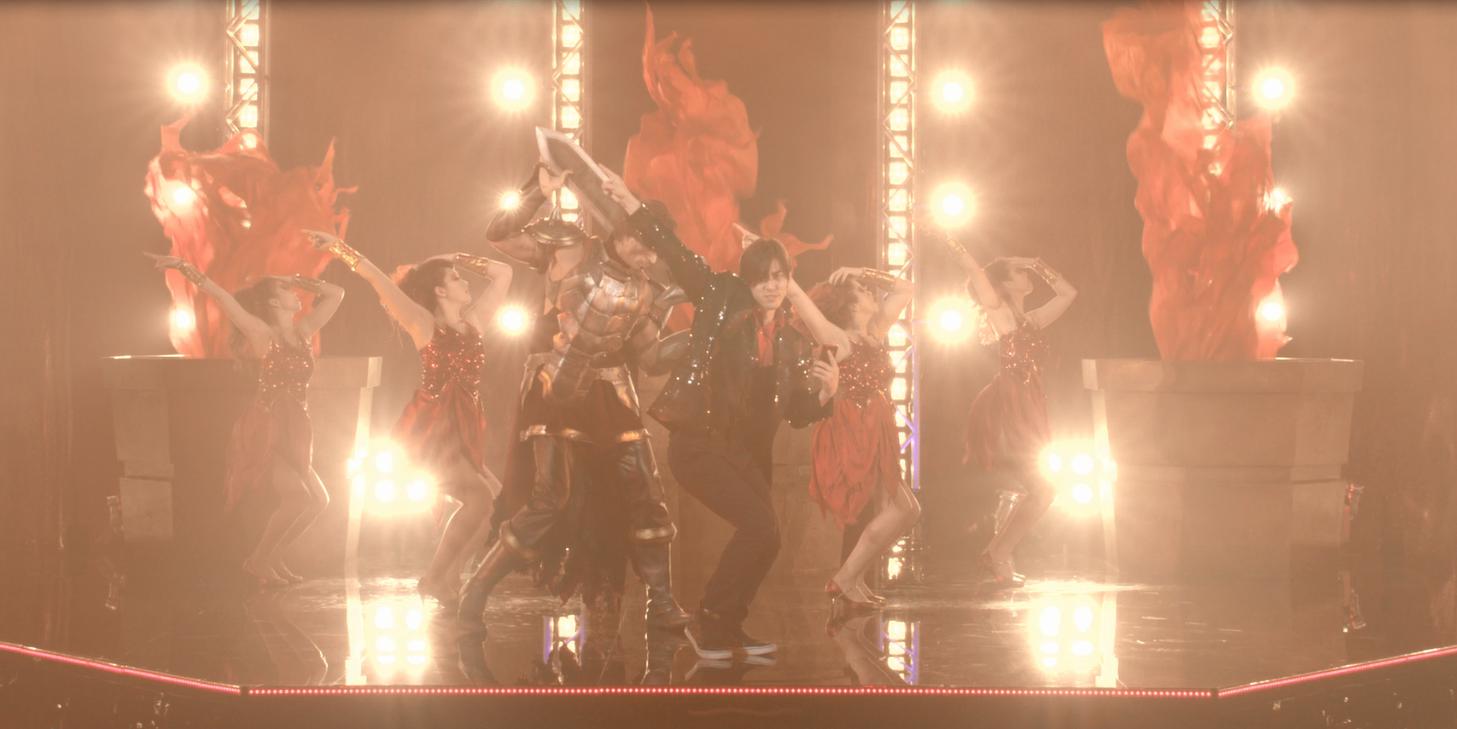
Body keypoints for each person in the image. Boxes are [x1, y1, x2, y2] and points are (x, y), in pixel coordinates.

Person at [601, 170, 839, 659]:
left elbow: (796, 413)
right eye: (763, 277)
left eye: (779, 277)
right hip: (699, 444)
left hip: (738, 454)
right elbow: (673, 250)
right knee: (761, 530)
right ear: (748, 280)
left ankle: (723, 623)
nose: (771, 286)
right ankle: (711, 622)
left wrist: (825, 393)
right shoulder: (721, 297)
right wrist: (628, 200)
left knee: (767, 537)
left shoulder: (790, 341)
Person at [455, 163, 690, 633]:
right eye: (643, 243)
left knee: (647, 495)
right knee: (551, 497)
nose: (647, 256)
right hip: (555, 384)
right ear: (624, 231)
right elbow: (501, 235)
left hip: (613, 392)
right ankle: (475, 593)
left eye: (654, 250)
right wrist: (537, 192)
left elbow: (650, 357)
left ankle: (661, 602)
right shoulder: (571, 247)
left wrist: (698, 339)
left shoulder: (646, 288)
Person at [307, 230, 512, 606]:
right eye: (456, 279)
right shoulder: (423, 323)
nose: (465, 282)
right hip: (433, 429)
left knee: (488, 508)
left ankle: (448, 580)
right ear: (440, 291)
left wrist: (453, 257)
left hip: (464, 428)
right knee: (481, 498)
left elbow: (503, 273)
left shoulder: (475, 323)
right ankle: (435, 579)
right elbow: (377, 280)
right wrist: (338, 248)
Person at [148, 254, 342, 587]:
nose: (296, 293)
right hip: (268, 425)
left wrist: (294, 279)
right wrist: (184, 268)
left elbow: (337, 293)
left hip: (296, 426)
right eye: (286, 290)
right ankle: (259, 560)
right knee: (299, 498)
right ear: (273, 303)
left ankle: (267, 557)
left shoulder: (304, 332)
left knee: (319, 501)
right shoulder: (262, 333)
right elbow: (222, 298)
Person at [786, 267, 921, 608]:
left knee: (901, 509)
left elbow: (907, 288)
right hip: (852, 428)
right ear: (848, 303)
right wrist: (771, 260)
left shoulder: (874, 332)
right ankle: (845, 579)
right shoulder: (838, 337)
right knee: (904, 508)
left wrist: (864, 273)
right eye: (863, 289)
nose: (872, 293)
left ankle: (852, 579)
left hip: (876, 426)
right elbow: (797, 296)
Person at [950, 239, 1077, 587]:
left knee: (1043, 489)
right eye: (1019, 272)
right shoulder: (1001, 315)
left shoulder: (1032, 320)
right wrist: (948, 237)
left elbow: (1068, 294)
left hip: (1031, 403)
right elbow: (974, 271)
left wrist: (1036, 263)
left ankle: (997, 553)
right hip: (1011, 404)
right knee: (1042, 487)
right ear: (1005, 284)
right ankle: (997, 553)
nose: (1026, 275)